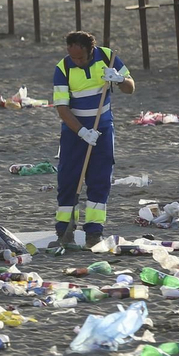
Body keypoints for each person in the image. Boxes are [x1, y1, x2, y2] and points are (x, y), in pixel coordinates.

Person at [51, 30, 135, 248]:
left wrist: (119, 79)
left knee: (100, 181)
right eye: (72, 56)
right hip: (74, 133)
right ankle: (64, 232)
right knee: (69, 180)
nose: (76, 61)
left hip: (103, 130)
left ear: (91, 51)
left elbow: (131, 88)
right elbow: (62, 107)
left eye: (80, 57)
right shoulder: (63, 68)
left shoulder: (108, 57)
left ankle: (94, 234)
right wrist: (82, 132)